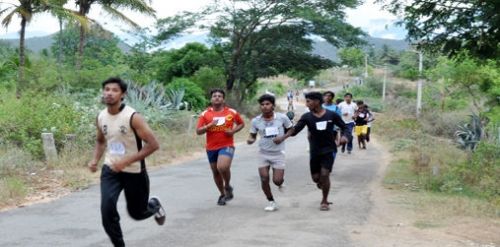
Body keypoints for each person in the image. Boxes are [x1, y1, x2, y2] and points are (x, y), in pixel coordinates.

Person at [88, 77, 166, 247]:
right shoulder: (101, 117)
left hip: (134, 172)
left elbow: (153, 145)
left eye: (114, 90)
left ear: (122, 94)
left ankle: (154, 205)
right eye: (106, 89)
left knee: (137, 213)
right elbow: (101, 141)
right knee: (107, 210)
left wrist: (126, 161)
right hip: (111, 170)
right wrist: (94, 160)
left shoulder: (132, 117)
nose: (109, 93)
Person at [289, 92, 349, 211]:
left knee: (325, 174)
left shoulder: (331, 115)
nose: (307, 104)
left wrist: (344, 136)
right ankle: (322, 183)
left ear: (317, 101)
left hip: (329, 149)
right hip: (315, 151)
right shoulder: (306, 116)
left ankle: (324, 201)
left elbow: (345, 127)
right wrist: (288, 125)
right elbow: (294, 131)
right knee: (316, 178)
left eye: (308, 101)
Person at [196, 89, 245, 206]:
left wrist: (232, 131)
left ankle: (227, 185)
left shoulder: (231, 112)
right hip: (211, 147)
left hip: (226, 145)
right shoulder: (205, 114)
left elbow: (241, 123)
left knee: (222, 167)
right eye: (214, 96)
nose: (217, 97)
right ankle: (223, 194)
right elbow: (198, 131)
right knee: (216, 172)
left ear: (223, 99)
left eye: (219, 96)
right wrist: (208, 125)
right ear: (211, 99)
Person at [247, 94, 293, 212]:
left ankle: (280, 183)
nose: (265, 106)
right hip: (263, 153)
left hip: (278, 153)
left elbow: (291, 129)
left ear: (273, 106)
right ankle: (271, 201)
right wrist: (250, 140)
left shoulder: (282, 118)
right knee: (264, 178)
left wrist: (282, 138)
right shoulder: (256, 121)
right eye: (262, 104)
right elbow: (252, 135)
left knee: (277, 180)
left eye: (267, 104)